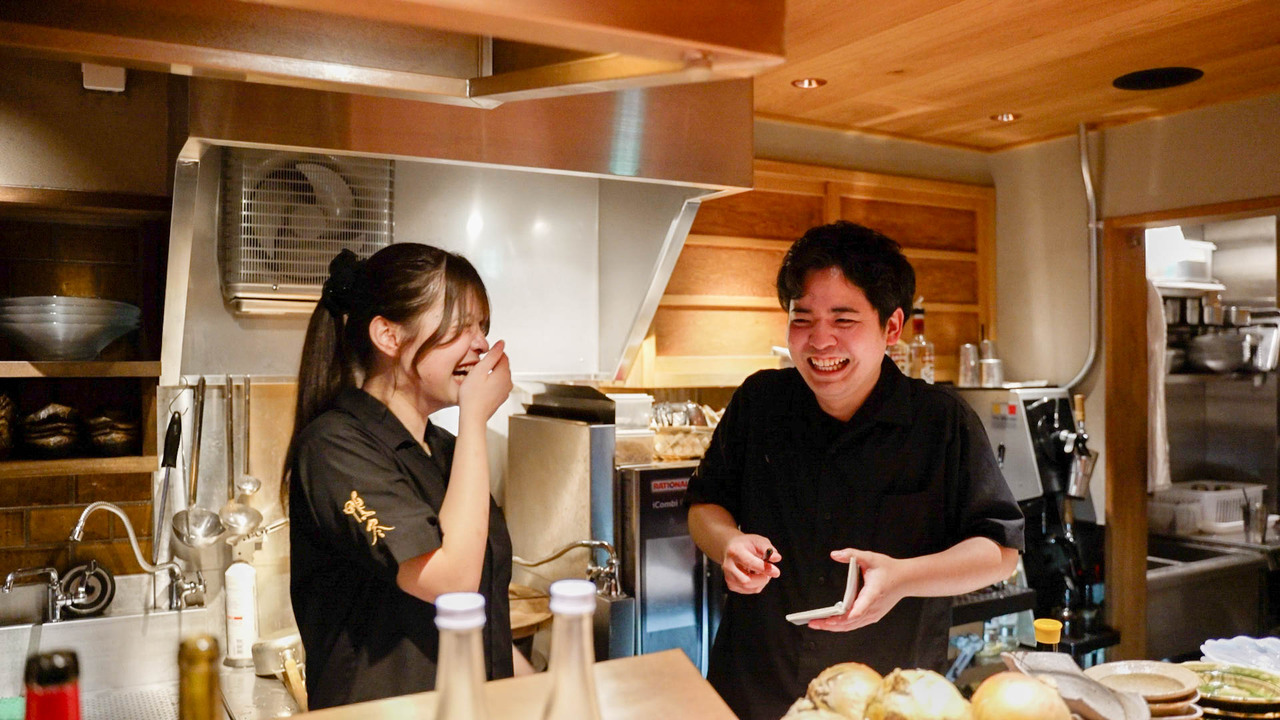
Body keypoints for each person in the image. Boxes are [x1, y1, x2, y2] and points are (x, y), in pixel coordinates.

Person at [686, 221, 1025, 720]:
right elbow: (705, 505)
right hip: (753, 690)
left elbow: (999, 552)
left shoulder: (940, 422)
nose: (820, 341)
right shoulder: (760, 402)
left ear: (891, 327)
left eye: (843, 319)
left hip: (886, 700)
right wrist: (727, 544)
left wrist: (904, 577)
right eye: (802, 318)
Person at [283, 244, 527, 710]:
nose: (480, 345)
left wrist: (540, 691)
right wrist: (475, 418)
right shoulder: (333, 446)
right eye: (460, 327)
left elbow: (479, 621)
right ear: (388, 337)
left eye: (483, 328)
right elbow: (450, 581)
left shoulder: (447, 453)